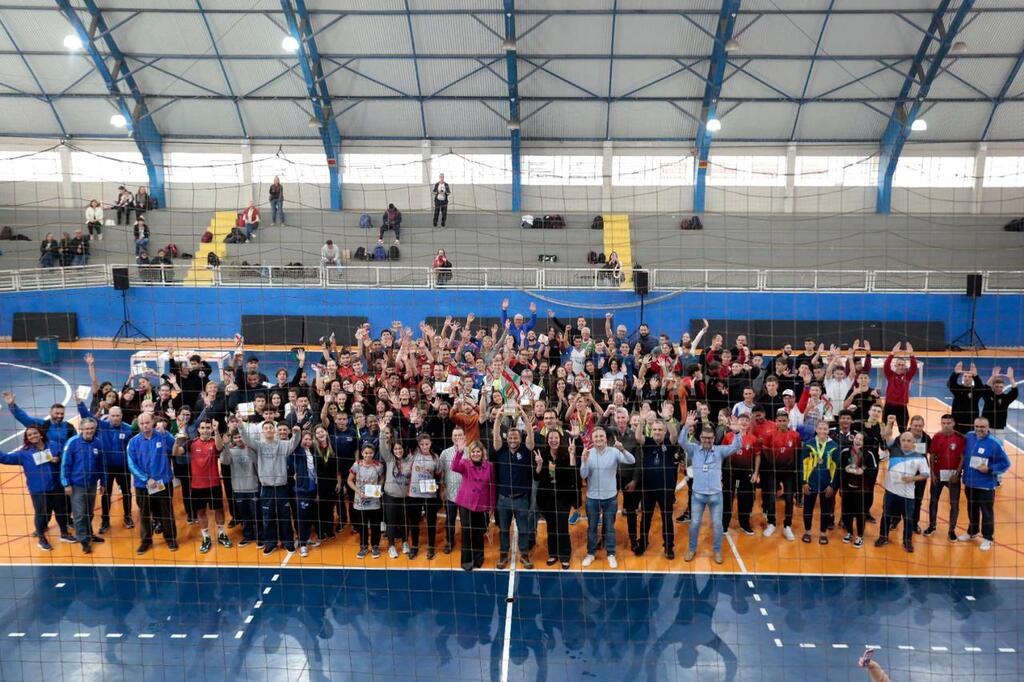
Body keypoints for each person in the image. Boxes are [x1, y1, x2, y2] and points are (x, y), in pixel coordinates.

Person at [679, 412, 742, 563]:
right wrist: (686, 427)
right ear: (700, 438)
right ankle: (692, 549)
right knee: (694, 523)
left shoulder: (720, 450)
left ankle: (717, 551)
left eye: (710, 438)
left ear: (714, 439)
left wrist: (737, 432)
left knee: (717, 525)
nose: (707, 440)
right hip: (698, 496)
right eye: (704, 438)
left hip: (716, 495)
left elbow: (736, 446)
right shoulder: (694, 449)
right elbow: (682, 441)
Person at [1, 426, 73, 551]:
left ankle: (64, 534)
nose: (33, 436)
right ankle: (41, 539)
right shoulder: (24, 453)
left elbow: (66, 458)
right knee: (41, 514)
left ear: (41, 434)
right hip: (38, 490)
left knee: (61, 511)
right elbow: (5, 458)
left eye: (35, 433)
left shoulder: (54, 445)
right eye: (29, 435)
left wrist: (59, 459)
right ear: (27, 438)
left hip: (56, 486)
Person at [239, 421, 301, 555]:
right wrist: (240, 425)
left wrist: (297, 433)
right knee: (268, 517)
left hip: (281, 487)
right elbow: (247, 440)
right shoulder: (259, 445)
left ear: (274, 431)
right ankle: (271, 543)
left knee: (284, 516)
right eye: (265, 428)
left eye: (270, 428)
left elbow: (293, 443)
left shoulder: (283, 445)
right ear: (262, 432)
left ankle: (288, 542)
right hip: (266, 488)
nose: (268, 430)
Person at [76, 395, 134, 533]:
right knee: (106, 494)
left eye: (117, 415)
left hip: (123, 468)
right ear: (109, 416)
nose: (115, 418)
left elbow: (133, 448)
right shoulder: (102, 426)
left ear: (121, 416)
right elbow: (87, 416)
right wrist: (79, 403)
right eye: (112, 415)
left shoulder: (128, 429)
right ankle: (105, 520)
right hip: (106, 468)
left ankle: (127, 517)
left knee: (126, 493)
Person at [580, 426, 635, 568]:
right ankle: (591, 553)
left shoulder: (614, 451)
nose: (598, 438)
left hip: (610, 498)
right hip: (592, 498)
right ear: (592, 439)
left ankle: (611, 554)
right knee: (592, 528)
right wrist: (584, 461)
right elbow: (583, 475)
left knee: (609, 528)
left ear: (606, 438)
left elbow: (632, 460)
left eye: (601, 436)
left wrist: (622, 449)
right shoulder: (588, 453)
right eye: (596, 436)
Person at [175, 418, 231, 554]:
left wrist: (217, 430)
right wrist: (178, 438)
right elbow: (176, 452)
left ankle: (221, 534)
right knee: (200, 512)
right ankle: (206, 538)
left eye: (208, 428)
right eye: (203, 428)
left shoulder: (214, 441)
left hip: (214, 484)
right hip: (197, 486)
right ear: (198, 430)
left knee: (218, 510)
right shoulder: (191, 443)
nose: (205, 430)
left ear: (211, 429)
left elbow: (219, 447)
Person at [492, 406, 536, 569]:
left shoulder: (526, 450)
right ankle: (503, 555)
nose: (512, 440)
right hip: (503, 499)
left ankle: (524, 555)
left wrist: (523, 414)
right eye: (510, 438)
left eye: (515, 437)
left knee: (523, 530)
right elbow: (495, 433)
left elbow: (530, 434)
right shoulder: (500, 449)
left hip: (521, 499)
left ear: (520, 438)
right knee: (503, 530)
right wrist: (499, 416)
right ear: (506, 438)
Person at [127, 412, 178, 553]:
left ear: (153, 422)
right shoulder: (133, 442)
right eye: (142, 423)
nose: (145, 426)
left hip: (163, 482)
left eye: (147, 423)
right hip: (143, 485)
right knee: (144, 514)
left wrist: (167, 432)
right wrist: (146, 479)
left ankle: (171, 539)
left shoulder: (163, 435)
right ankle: (146, 541)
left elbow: (176, 447)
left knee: (166, 512)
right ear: (139, 424)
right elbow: (131, 464)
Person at [957, 417, 1011, 551]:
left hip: (986, 485)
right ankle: (972, 532)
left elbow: (1005, 464)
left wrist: (990, 469)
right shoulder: (970, 436)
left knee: (986, 513)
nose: (979, 429)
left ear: (988, 427)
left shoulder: (995, 443)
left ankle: (988, 538)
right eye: (977, 426)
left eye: (982, 427)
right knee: (972, 509)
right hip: (970, 483)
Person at [875, 426, 930, 553]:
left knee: (908, 519)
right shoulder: (894, 450)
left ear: (914, 442)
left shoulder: (920, 457)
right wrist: (889, 422)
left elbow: (926, 474)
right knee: (886, 515)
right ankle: (883, 537)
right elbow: (887, 436)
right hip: (890, 492)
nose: (906, 443)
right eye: (903, 440)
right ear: (900, 441)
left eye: (909, 440)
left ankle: (907, 541)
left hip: (908, 495)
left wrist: (912, 479)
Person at [634, 418, 680, 559]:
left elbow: (674, 436)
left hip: (665, 490)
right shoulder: (647, 442)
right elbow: (637, 437)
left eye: (660, 429)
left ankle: (668, 547)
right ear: (651, 430)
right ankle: (643, 542)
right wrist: (641, 421)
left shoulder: (669, 443)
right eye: (654, 429)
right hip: (648, 489)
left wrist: (667, 419)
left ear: (664, 431)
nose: (657, 432)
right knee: (645, 518)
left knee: (667, 518)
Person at [59, 418, 104, 554]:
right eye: (87, 428)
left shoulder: (97, 443)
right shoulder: (72, 443)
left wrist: (103, 482)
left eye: (92, 428)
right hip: (76, 485)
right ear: (81, 428)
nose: (89, 431)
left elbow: (102, 465)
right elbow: (65, 464)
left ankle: (89, 534)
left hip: (91, 484)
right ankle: (84, 541)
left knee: (89, 513)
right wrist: (66, 483)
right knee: (79, 515)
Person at [533, 429, 577, 568]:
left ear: (560, 439)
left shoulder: (565, 454)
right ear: (547, 440)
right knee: (551, 527)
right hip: (547, 498)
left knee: (562, 527)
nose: (553, 440)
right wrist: (539, 465)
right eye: (550, 438)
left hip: (562, 498)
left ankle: (565, 555)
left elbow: (573, 476)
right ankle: (553, 554)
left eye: (556, 438)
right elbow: (537, 477)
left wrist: (572, 455)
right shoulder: (543, 455)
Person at [761, 409, 802, 541]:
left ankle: (787, 526)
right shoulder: (770, 435)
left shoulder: (795, 436)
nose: (782, 423)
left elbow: (798, 453)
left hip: (789, 472)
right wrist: (771, 465)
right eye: (779, 421)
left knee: (789, 499)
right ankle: (772, 523)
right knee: (772, 498)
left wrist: (795, 469)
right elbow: (766, 452)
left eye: (784, 420)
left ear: (788, 421)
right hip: (774, 471)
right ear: (776, 422)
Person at [924, 413, 965, 541]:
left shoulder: (960, 438)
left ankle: (952, 530)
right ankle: (932, 526)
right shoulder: (936, 437)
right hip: (938, 475)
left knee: (954, 504)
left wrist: (957, 475)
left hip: (953, 476)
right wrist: (932, 474)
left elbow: (963, 458)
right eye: (944, 423)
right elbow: (932, 455)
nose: (946, 426)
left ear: (953, 423)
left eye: (948, 423)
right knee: (933, 501)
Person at [800, 420, 840, 545]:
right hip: (810, 482)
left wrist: (832, 486)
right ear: (816, 430)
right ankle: (807, 531)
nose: (823, 431)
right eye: (820, 429)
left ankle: (823, 533)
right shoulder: (808, 444)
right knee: (807, 508)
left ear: (828, 431)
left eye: (825, 429)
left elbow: (837, 468)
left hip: (826, 483)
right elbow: (802, 464)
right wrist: (804, 482)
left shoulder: (834, 446)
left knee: (825, 509)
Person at [379, 415, 412, 558]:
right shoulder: (389, 459)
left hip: (405, 496)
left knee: (405, 521)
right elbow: (383, 447)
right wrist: (382, 432)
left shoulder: (409, 460)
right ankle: (391, 546)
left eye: (400, 449)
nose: (398, 451)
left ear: (404, 449)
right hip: (390, 496)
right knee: (391, 522)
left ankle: (405, 542)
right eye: (396, 449)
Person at [220, 430, 259, 547]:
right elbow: (224, 461)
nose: (238, 439)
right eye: (235, 437)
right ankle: (248, 536)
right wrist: (226, 445)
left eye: (240, 437)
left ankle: (261, 537)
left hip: (253, 488)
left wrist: (249, 448)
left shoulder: (252, 449)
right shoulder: (230, 451)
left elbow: (257, 462)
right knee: (244, 516)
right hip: (238, 490)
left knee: (257, 515)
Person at [348, 443, 385, 559]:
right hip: (360, 502)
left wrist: (378, 488)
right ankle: (363, 547)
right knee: (363, 526)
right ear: (362, 453)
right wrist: (359, 492)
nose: (368, 455)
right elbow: (349, 481)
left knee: (375, 526)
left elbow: (382, 477)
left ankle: (375, 546)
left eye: (370, 453)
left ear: (374, 453)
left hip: (374, 502)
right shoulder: (356, 465)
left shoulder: (378, 466)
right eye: (366, 453)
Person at [290, 430, 320, 557]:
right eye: (305, 439)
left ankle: (306, 538)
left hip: (312, 488)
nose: (307, 441)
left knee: (309, 515)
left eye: (309, 439)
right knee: (302, 517)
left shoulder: (312, 452)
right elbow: (295, 442)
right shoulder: (298, 451)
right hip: (302, 490)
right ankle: (302, 544)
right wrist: (299, 427)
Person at [437, 427, 466, 554]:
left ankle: (466, 542)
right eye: (455, 435)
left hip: (466, 494)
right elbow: (441, 472)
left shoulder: (470, 452)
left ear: (464, 437)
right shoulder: (445, 453)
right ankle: (450, 542)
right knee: (450, 519)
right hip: (450, 493)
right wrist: (442, 489)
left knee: (466, 521)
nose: (458, 437)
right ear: (452, 437)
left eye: (460, 435)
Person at [839, 432, 869, 548]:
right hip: (847, 488)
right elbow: (840, 469)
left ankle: (860, 535)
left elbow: (872, 468)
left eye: (861, 440)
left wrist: (863, 470)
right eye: (856, 438)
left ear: (864, 442)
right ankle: (850, 532)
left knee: (860, 513)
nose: (858, 441)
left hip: (861, 490)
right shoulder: (846, 452)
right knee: (847, 512)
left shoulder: (868, 454)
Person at [882, 342, 917, 431]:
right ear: (895, 366)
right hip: (889, 406)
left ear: (905, 366)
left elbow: (914, 367)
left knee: (903, 430)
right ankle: (885, 445)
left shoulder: (907, 376)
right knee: (886, 429)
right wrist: (892, 353)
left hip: (902, 407)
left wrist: (911, 354)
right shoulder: (890, 375)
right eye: (899, 364)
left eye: (903, 365)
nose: (901, 367)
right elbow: (886, 365)